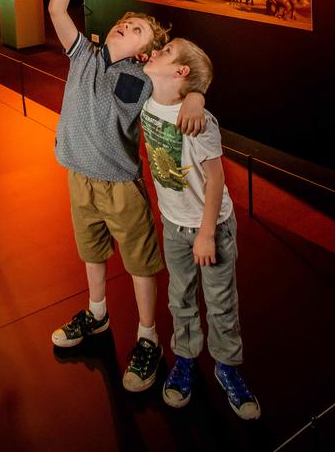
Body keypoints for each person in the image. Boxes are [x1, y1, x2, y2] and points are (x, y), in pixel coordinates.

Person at [49, 0, 205, 393]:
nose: (125, 25)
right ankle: (97, 314)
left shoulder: (143, 78)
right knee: (91, 252)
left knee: (139, 263)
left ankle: (147, 337)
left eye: (136, 29)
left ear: (146, 50)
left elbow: (190, 72)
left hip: (120, 185)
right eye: (124, 21)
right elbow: (57, 8)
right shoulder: (83, 55)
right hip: (79, 177)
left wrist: (195, 94)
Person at [142, 38, 260, 419]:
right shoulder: (147, 98)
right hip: (174, 226)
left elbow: (215, 179)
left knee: (221, 302)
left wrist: (207, 232)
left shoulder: (199, 121)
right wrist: (197, 93)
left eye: (167, 51)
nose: (157, 51)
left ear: (181, 72)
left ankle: (227, 366)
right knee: (181, 297)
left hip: (212, 227)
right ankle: (187, 359)